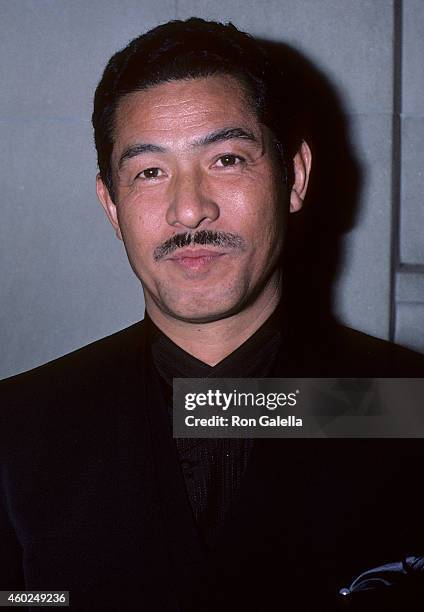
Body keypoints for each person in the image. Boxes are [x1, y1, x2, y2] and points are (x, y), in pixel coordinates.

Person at [1, 18, 423, 611]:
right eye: (150, 171)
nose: (190, 209)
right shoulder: (19, 432)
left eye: (226, 159)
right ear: (112, 205)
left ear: (294, 177)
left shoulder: (406, 406)